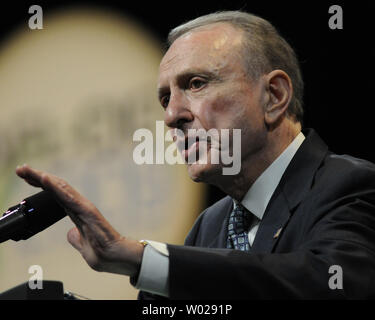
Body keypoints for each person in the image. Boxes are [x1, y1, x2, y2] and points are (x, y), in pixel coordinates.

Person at [15, 11, 375, 299]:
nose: (172, 115)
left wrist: (141, 259)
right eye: (165, 99)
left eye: (196, 84)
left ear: (274, 96)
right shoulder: (210, 227)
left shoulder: (351, 186)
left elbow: (329, 284)